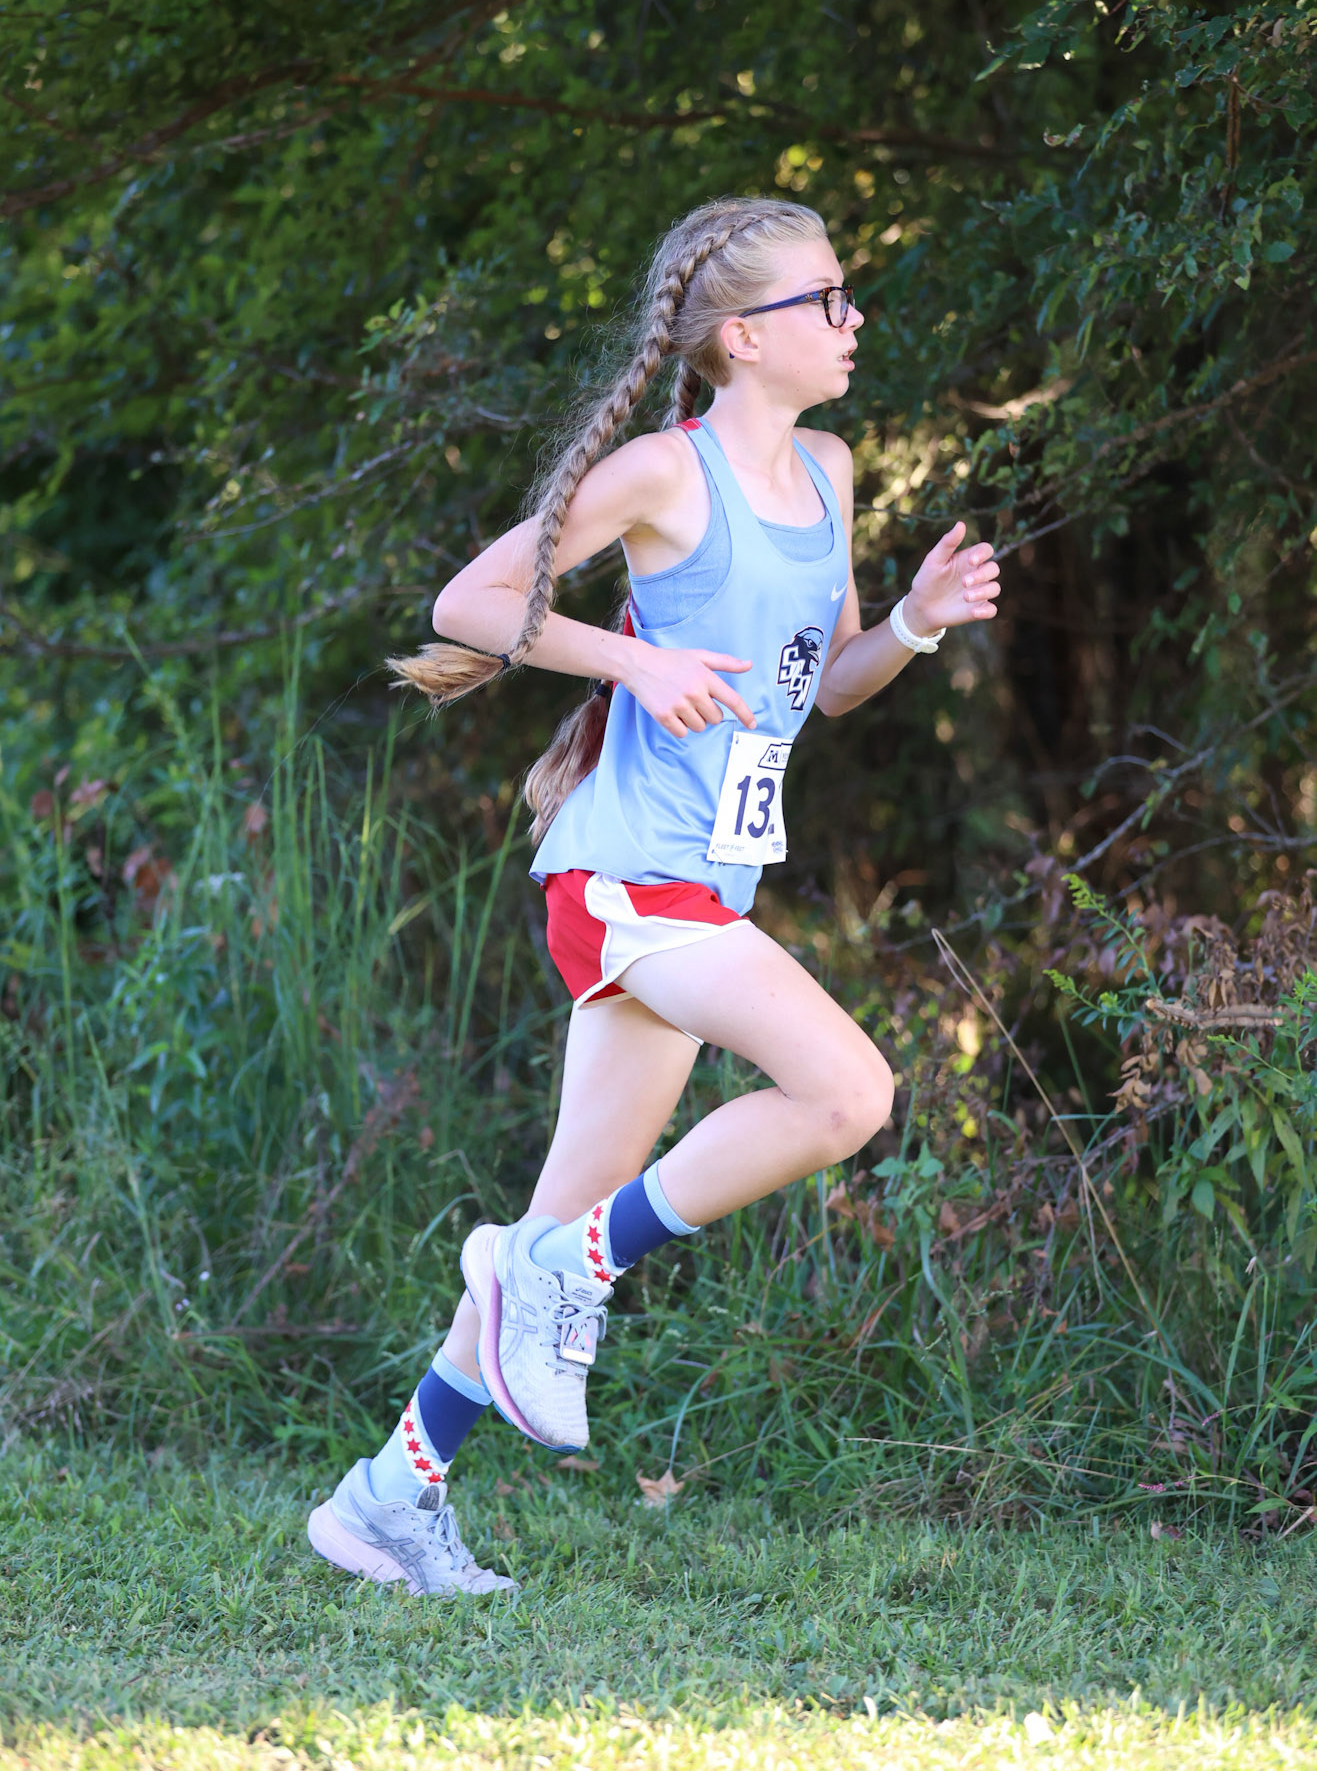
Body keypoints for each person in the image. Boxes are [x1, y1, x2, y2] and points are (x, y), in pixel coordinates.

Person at [307, 196, 1001, 1593]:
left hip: (704, 878)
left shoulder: (831, 468)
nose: (852, 319)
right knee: (845, 1094)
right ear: (743, 336)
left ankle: (389, 1497)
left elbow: (826, 683)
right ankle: (564, 1265)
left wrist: (915, 625)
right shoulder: (662, 475)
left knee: (571, 1204)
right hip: (627, 878)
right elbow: (470, 603)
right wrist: (634, 665)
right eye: (829, 299)